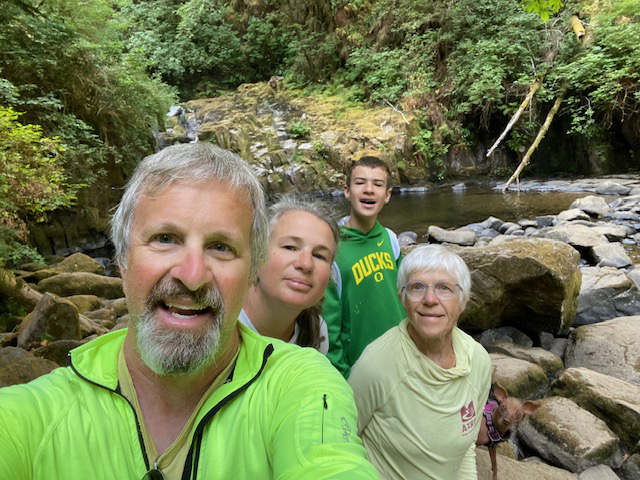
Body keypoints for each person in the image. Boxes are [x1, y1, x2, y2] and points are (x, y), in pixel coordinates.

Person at [0, 143, 378, 479]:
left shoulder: (302, 384)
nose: (193, 276)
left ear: (251, 270)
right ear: (121, 259)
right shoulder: (31, 418)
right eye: (165, 239)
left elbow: (328, 458)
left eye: (221, 247)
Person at [348, 244, 492, 480]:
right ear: (402, 299)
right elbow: (341, 440)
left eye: (444, 288)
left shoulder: (479, 361)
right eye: (417, 287)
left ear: (463, 300)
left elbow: (466, 448)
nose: (430, 299)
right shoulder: (376, 364)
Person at [323, 156, 406, 378]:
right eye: (360, 182)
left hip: (402, 356)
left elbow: (405, 297)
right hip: (360, 367)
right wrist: (341, 375)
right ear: (347, 191)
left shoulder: (391, 239)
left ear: (387, 195)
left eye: (378, 184)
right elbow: (329, 322)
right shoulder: (331, 248)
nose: (369, 190)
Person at [240, 195, 339, 354]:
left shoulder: (317, 336)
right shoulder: (218, 324)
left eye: (319, 255)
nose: (306, 264)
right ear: (258, 252)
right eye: (290, 247)